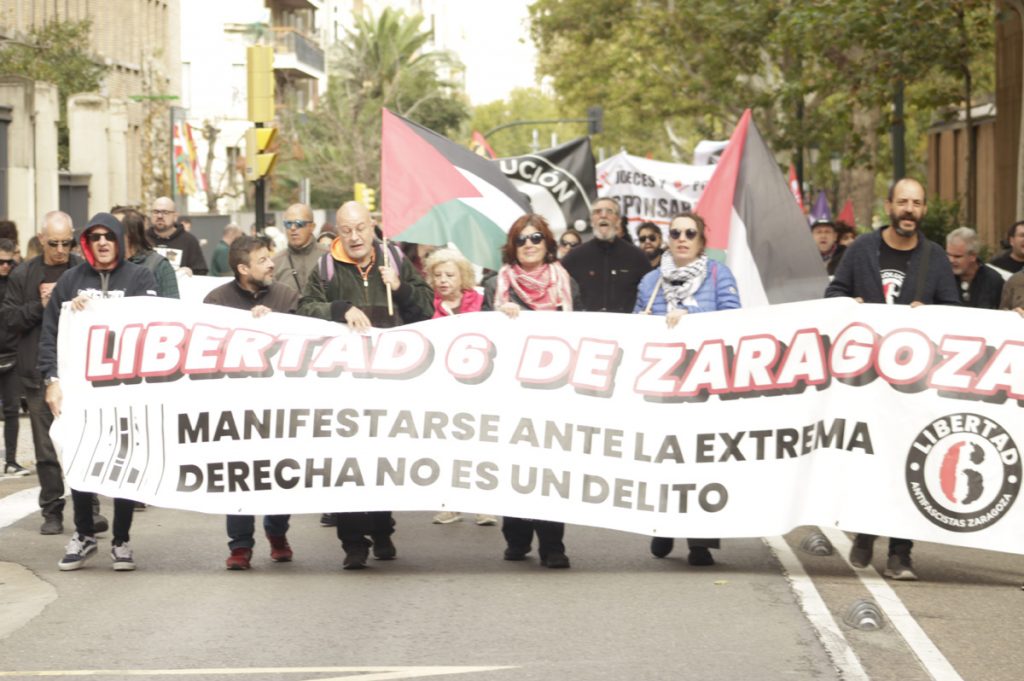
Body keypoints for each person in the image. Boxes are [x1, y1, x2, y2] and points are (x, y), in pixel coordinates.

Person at [826, 178, 959, 581]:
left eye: (917, 203)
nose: (909, 210)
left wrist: (929, 314)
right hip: (868, 379)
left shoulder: (934, 257)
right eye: (902, 202)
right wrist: (851, 305)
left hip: (916, 383)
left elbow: (954, 311)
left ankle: (901, 552)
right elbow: (834, 294)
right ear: (889, 206)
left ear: (923, 210)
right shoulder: (863, 249)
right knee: (872, 460)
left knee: (910, 461)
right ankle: (866, 532)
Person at [298, 201, 433, 570]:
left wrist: (401, 288)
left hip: (390, 383)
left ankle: (383, 528)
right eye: (346, 230)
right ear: (337, 232)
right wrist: (338, 309)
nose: (354, 237)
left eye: (360, 228)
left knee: (381, 463)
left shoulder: (396, 262)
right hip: (343, 386)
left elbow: (427, 310)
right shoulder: (325, 268)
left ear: (372, 226)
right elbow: (304, 308)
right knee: (347, 466)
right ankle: (353, 543)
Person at [38, 213, 158, 570]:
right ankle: (85, 533)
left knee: (123, 462)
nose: (103, 242)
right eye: (95, 237)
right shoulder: (71, 281)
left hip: (126, 392)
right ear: (87, 243)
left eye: (109, 236)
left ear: (120, 240)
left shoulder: (140, 277)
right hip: (82, 392)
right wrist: (52, 380)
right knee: (80, 458)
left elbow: (154, 327)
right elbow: (50, 335)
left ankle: (121, 540)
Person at [634, 212, 740, 566]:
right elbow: (635, 327)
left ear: (700, 241)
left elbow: (734, 321)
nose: (682, 238)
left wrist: (690, 325)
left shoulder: (718, 274)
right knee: (663, 458)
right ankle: (662, 526)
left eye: (690, 233)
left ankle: (700, 542)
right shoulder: (650, 281)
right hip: (662, 386)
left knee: (702, 462)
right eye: (675, 232)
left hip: (705, 384)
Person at [484, 213, 580, 569]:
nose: (529, 245)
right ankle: (517, 536)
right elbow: (480, 339)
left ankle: (553, 544)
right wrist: (498, 318)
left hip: (554, 391)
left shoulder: (565, 283)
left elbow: (583, 331)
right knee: (516, 467)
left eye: (536, 238)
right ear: (513, 245)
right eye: (522, 239)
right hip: (510, 391)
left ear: (547, 244)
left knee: (550, 469)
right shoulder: (497, 285)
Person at [1, 211, 105, 534]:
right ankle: (52, 510)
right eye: (54, 243)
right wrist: (40, 304)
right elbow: (10, 319)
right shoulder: (24, 274)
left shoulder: (81, 269)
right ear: (41, 238)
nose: (60, 249)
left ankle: (90, 509)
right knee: (46, 448)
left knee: (84, 442)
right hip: (36, 370)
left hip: (79, 372)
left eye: (66, 242)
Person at [204, 236, 299, 570]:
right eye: (262, 260)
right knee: (239, 474)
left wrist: (276, 324)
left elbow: (307, 343)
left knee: (279, 474)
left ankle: (277, 532)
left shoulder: (287, 297)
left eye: (270, 257)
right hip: (236, 406)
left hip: (280, 406)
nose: (272, 264)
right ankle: (240, 545)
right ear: (243, 269)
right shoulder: (216, 301)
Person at [422, 248, 496, 527]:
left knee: (481, 445)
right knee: (449, 447)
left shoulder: (481, 300)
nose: (443, 280)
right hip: (443, 388)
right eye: (437, 274)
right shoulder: (427, 305)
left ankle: (484, 505)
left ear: (462, 276)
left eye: (449, 275)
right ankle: (451, 504)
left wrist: (508, 311)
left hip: (479, 386)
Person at [561, 197, 651, 312]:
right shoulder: (574, 257)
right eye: (598, 212)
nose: (603, 216)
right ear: (591, 220)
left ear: (618, 220)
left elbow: (650, 295)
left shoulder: (637, 257)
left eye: (609, 211)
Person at [0, 238, 28, 476]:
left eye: (10, 262)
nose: (5, 266)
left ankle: (10, 459)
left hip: (12, 353)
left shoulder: (18, 282)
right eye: (1, 262)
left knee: (12, 410)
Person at [112, 207, 179, 299]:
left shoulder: (160, 266)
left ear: (130, 233)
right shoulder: (105, 265)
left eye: (113, 231)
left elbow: (173, 308)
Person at [146, 196, 208, 275]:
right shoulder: (141, 238)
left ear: (175, 216)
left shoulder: (189, 241)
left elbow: (201, 272)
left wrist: (190, 271)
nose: (160, 216)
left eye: (165, 212)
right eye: (155, 212)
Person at [273, 203, 327, 294]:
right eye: (288, 224)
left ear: (312, 227)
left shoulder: (329, 257)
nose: (293, 228)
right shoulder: (275, 263)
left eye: (299, 224)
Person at [945, 227, 1003, 309]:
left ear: (973, 256)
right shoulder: (942, 278)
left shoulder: (993, 280)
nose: (951, 260)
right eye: (948, 255)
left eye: (957, 256)